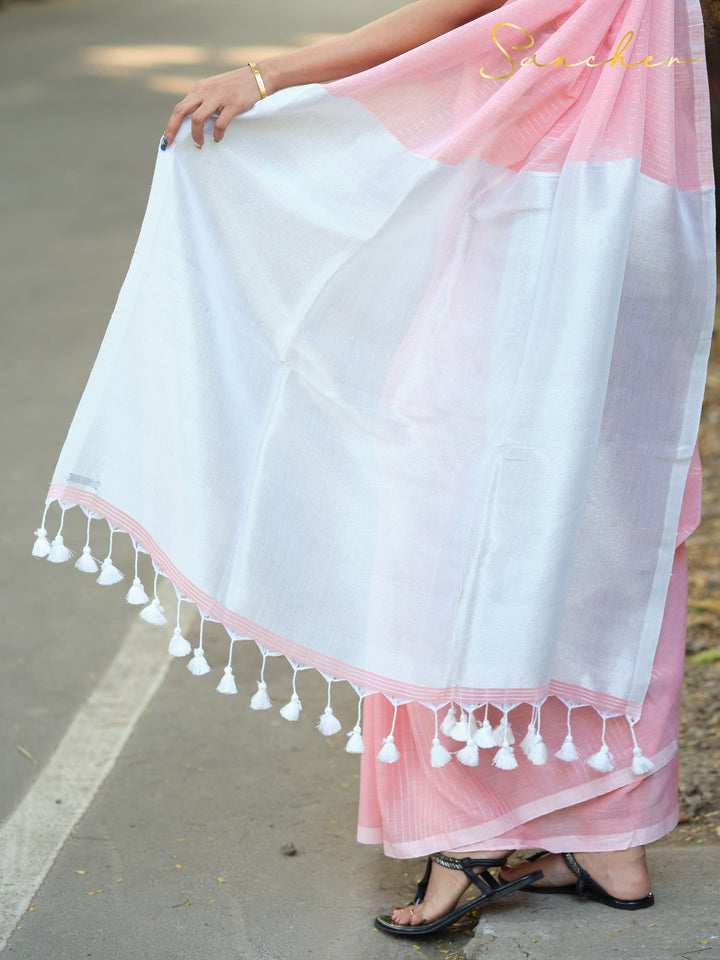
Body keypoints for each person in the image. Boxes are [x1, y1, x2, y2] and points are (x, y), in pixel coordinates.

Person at [34, 0, 716, 938]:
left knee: (445, 513)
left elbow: (459, 13)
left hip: (542, 202)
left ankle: (472, 838)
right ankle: (610, 838)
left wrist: (274, 76)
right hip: (650, 206)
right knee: (608, 514)